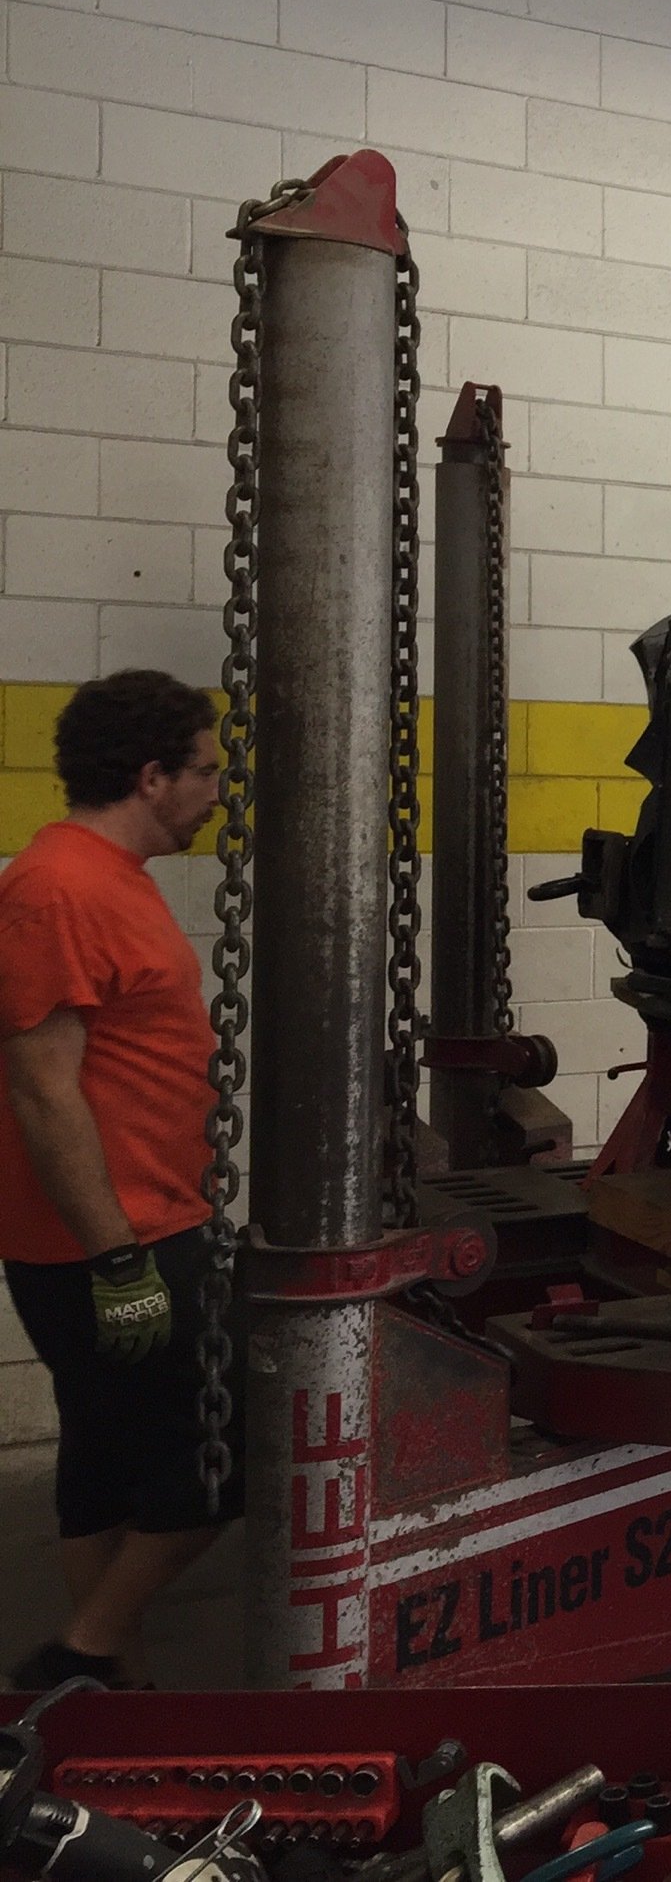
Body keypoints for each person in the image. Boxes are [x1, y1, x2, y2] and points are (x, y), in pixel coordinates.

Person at [0, 671, 231, 1688]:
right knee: (222, 1460)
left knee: (101, 1462)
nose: (217, 792)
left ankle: (116, 1688)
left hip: (140, 1224)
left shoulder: (109, 876)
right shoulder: (58, 888)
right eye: (207, 772)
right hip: (118, 1243)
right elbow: (42, 1090)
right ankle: (83, 1654)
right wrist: (118, 1261)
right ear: (151, 777)